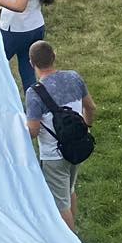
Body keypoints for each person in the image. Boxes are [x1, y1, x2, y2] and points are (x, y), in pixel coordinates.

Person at [24, 39, 93, 229]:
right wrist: (86, 127)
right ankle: (75, 230)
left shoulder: (34, 93)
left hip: (54, 156)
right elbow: (91, 108)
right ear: (54, 57)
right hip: (77, 147)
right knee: (69, 189)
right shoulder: (74, 78)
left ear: (32, 63)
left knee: (60, 204)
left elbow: (33, 130)